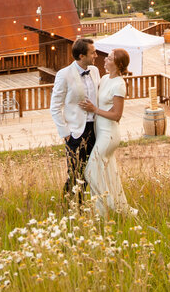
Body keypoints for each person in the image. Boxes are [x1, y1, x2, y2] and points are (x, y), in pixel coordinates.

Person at [79, 48, 137, 217]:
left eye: (109, 58)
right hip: (100, 132)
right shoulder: (104, 79)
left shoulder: (119, 84)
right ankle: (101, 215)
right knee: (105, 173)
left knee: (91, 171)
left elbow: (117, 115)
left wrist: (94, 109)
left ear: (118, 64)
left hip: (109, 134)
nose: (105, 59)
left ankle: (115, 206)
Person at [50, 38, 99, 204]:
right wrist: (66, 133)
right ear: (81, 55)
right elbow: (55, 107)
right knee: (75, 173)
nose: (96, 55)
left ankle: (87, 205)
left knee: (92, 171)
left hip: (96, 129)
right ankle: (69, 206)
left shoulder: (95, 71)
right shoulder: (64, 74)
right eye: (92, 52)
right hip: (76, 132)